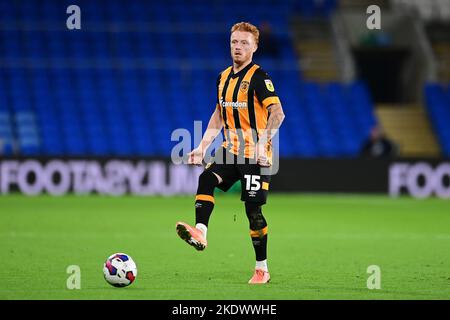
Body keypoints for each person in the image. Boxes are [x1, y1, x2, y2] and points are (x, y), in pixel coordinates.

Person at [175, 22, 285, 284]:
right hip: (230, 151)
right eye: (235, 42)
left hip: (256, 157)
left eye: (244, 43)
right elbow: (218, 115)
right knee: (206, 178)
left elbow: (278, 113)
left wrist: (262, 144)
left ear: (255, 47)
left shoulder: (260, 78)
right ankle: (200, 232)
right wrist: (202, 147)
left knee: (253, 212)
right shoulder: (223, 77)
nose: (238, 47)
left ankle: (262, 269)